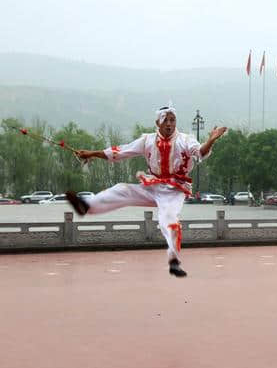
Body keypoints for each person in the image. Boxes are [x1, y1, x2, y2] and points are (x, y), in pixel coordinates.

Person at [65, 105, 227, 278]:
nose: (170, 124)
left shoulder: (185, 140)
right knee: (122, 190)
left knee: (167, 218)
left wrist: (211, 140)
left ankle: (174, 260)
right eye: (166, 120)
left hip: (175, 189)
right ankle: (87, 206)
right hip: (153, 185)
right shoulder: (147, 140)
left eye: (173, 120)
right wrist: (92, 153)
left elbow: (200, 152)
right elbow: (120, 151)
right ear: (158, 122)